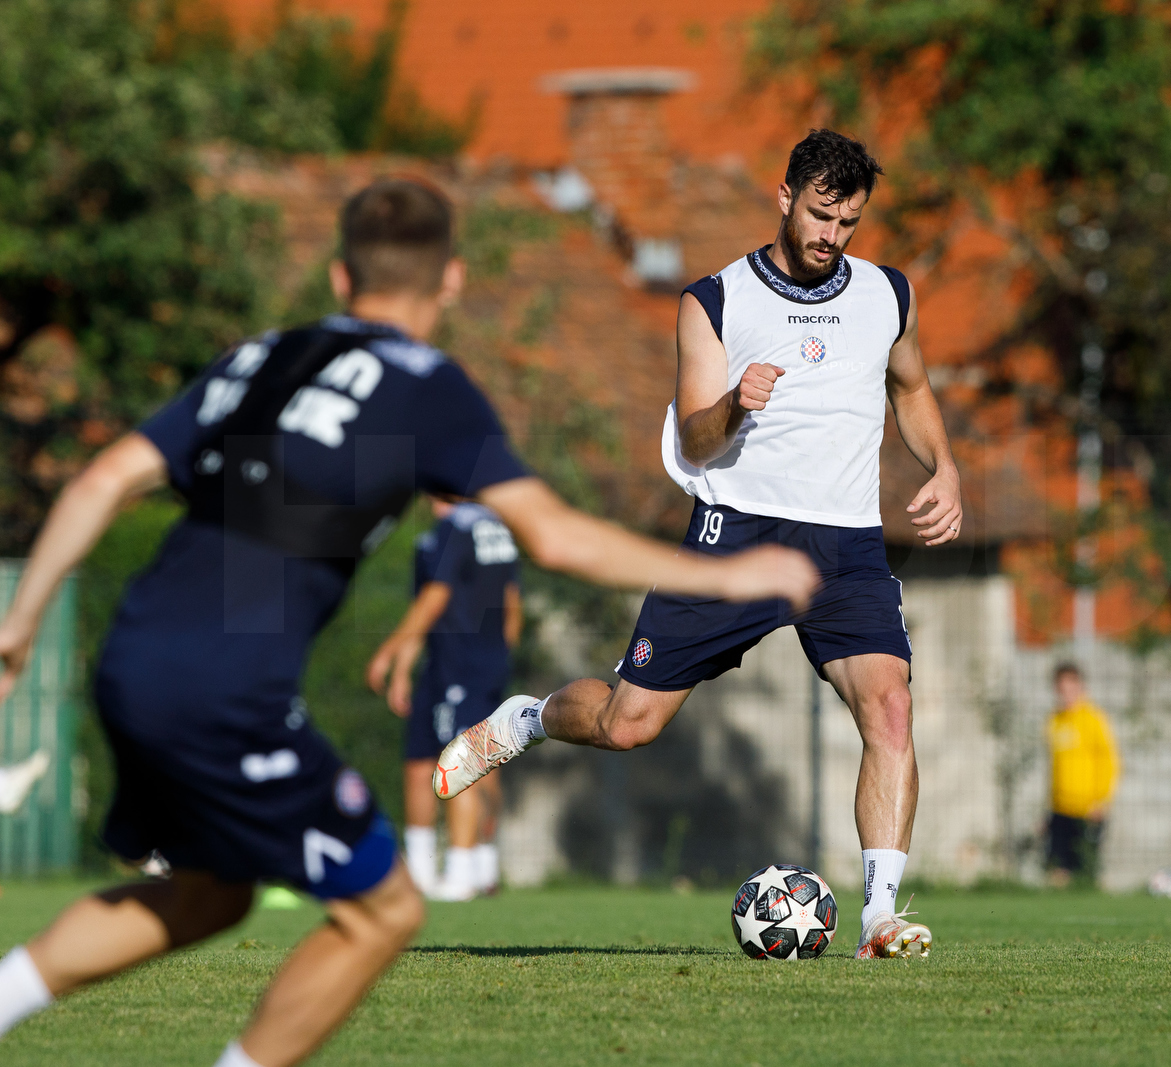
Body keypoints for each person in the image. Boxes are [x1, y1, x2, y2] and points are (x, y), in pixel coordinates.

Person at [0, 178, 817, 1066]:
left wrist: (18, 628)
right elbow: (552, 532)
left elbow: (98, 482)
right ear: (453, 281)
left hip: (132, 656)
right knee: (383, 907)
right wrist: (724, 571)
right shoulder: (426, 385)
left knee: (213, 892)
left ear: (341, 278)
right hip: (222, 688)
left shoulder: (261, 359)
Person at [433, 129, 964, 960]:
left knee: (889, 708)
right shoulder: (715, 301)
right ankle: (527, 719)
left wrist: (946, 467)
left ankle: (880, 917)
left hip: (849, 545)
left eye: (849, 222)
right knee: (626, 723)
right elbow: (698, 436)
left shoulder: (886, 294)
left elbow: (914, 386)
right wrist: (738, 404)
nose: (832, 236)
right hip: (734, 537)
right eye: (821, 215)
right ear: (784, 197)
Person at [366, 495, 521, 901]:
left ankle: (462, 870)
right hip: (446, 666)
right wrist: (405, 670)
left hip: (464, 665)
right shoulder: (488, 528)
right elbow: (507, 607)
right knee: (422, 761)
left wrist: (387, 652)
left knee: (465, 761)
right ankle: (424, 872)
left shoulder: (461, 526)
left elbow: (435, 597)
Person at [1045, 663, 1119, 888]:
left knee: (1085, 868)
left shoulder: (1093, 719)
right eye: (1061, 688)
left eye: (1070, 687)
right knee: (1057, 868)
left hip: (1088, 808)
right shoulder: (1054, 721)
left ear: (1080, 687)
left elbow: (1109, 762)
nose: (1066, 693)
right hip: (1060, 808)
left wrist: (1101, 800)